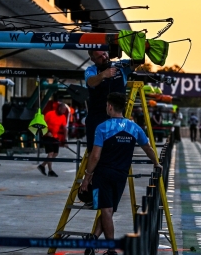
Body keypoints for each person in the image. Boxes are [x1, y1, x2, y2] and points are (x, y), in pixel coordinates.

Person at [80, 93, 161, 255]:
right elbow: (148, 148)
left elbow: (95, 156)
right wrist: (156, 163)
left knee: (106, 211)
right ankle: (93, 239)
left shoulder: (102, 127)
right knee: (107, 211)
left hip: (102, 175)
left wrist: (87, 177)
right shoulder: (134, 127)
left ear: (110, 106)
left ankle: (111, 249)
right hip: (120, 176)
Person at [85, 50, 133, 152]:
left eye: (104, 54)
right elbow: (90, 82)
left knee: (117, 150)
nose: (104, 57)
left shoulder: (120, 66)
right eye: (99, 57)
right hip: (97, 117)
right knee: (94, 150)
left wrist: (136, 49)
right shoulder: (91, 70)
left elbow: (136, 62)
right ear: (93, 59)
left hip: (118, 118)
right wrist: (103, 75)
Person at [37, 101, 68, 177]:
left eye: (65, 110)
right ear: (59, 108)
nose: (64, 112)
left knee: (55, 154)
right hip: (47, 136)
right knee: (50, 153)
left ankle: (42, 165)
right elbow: (42, 125)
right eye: (63, 110)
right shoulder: (50, 114)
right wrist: (47, 132)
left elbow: (65, 129)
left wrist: (65, 140)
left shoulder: (63, 117)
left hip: (55, 136)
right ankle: (50, 171)